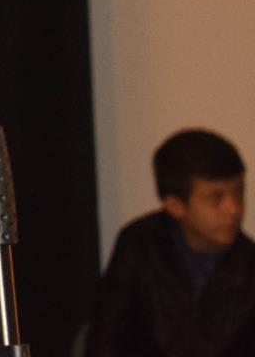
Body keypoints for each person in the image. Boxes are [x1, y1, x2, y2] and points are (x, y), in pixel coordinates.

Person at [87, 128, 254, 357]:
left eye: (238, 193)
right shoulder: (139, 244)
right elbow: (105, 338)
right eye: (216, 199)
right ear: (175, 206)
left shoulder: (249, 265)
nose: (233, 209)